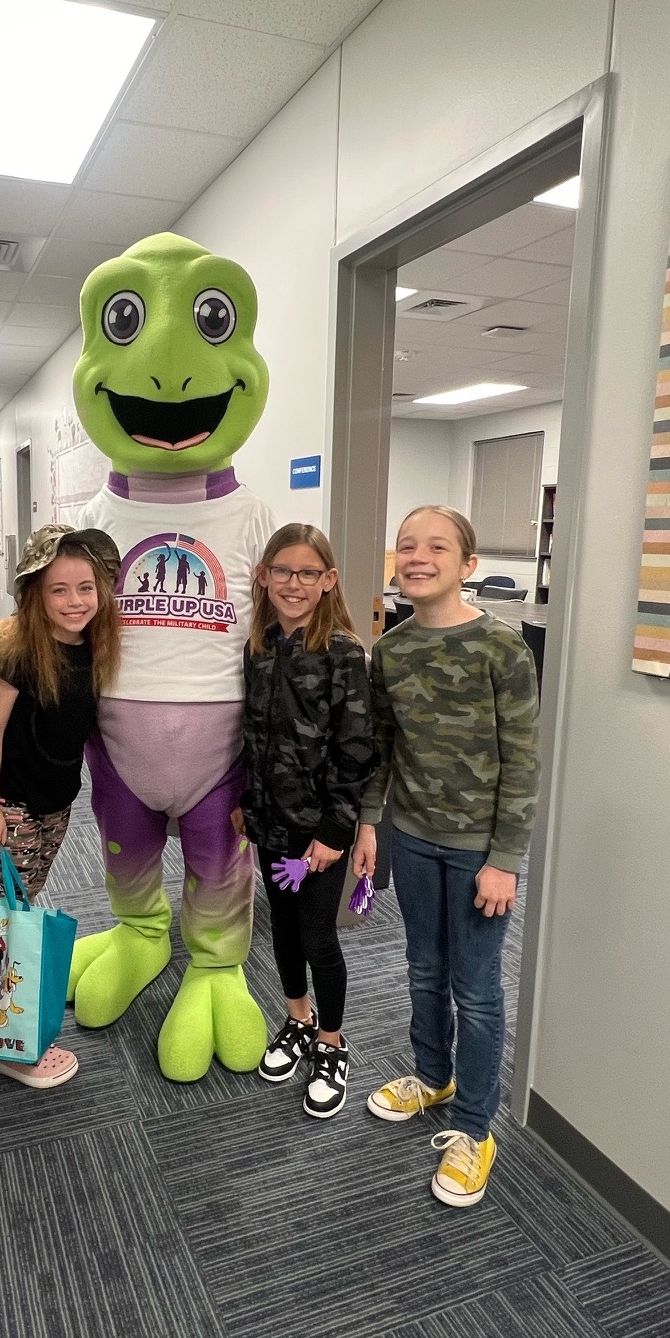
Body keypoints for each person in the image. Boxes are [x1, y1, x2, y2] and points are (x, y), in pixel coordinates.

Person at [355, 506, 540, 1206]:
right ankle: (433, 1078)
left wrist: (506, 859)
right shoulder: (391, 650)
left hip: (477, 853)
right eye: (407, 546)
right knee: (424, 969)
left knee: (477, 989)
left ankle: (474, 1129)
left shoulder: (502, 648)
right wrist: (370, 823)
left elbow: (522, 762)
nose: (418, 557)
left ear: (467, 564)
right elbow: (383, 747)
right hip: (412, 836)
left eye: (437, 547)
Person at [0, 525, 122, 1090]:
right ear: (36, 593)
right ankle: (10, 1046)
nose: (75, 601)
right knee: (12, 917)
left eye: (86, 587)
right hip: (14, 805)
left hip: (58, 802)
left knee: (22, 905)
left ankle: (7, 1028)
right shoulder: (18, 653)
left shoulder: (94, 646)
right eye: (60, 589)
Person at [234, 524, 374, 1118]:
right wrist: (246, 803)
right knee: (284, 932)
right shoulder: (258, 646)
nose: (294, 583)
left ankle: (332, 1043)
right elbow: (249, 734)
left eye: (308, 573)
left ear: (329, 580)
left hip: (319, 834)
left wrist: (336, 832)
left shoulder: (343, 652)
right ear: (263, 576)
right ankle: (298, 1018)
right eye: (283, 571)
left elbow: (357, 750)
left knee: (318, 936)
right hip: (271, 825)